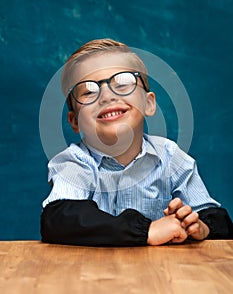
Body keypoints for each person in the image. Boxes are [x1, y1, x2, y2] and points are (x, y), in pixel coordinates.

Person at [40, 38, 233, 246]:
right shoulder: (73, 163)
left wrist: (201, 227)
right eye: (88, 92)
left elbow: (217, 219)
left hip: (165, 275)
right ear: (74, 121)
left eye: (122, 84)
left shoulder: (170, 157)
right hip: (94, 275)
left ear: (149, 104)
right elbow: (60, 220)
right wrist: (146, 231)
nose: (106, 96)